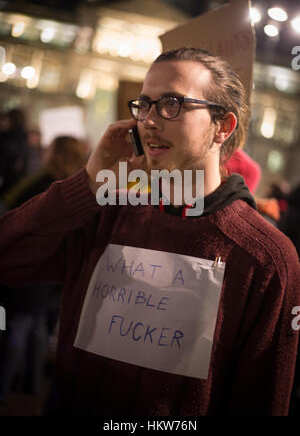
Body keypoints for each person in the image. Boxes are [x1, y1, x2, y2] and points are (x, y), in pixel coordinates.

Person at [0, 47, 299, 416]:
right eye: (145, 104)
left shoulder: (266, 257)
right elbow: (7, 259)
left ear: (222, 127)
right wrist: (89, 183)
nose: (150, 120)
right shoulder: (105, 214)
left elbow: (261, 399)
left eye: (172, 103)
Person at [0, 136, 88, 404]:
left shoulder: (45, 186)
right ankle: (33, 384)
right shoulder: (84, 187)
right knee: (38, 326)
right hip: (56, 277)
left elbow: (11, 218)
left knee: (17, 327)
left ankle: (4, 389)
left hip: (34, 269)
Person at [0, 108, 29, 197]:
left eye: (5, 120)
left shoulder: (9, 140)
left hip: (8, 182)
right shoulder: (23, 138)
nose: (3, 122)